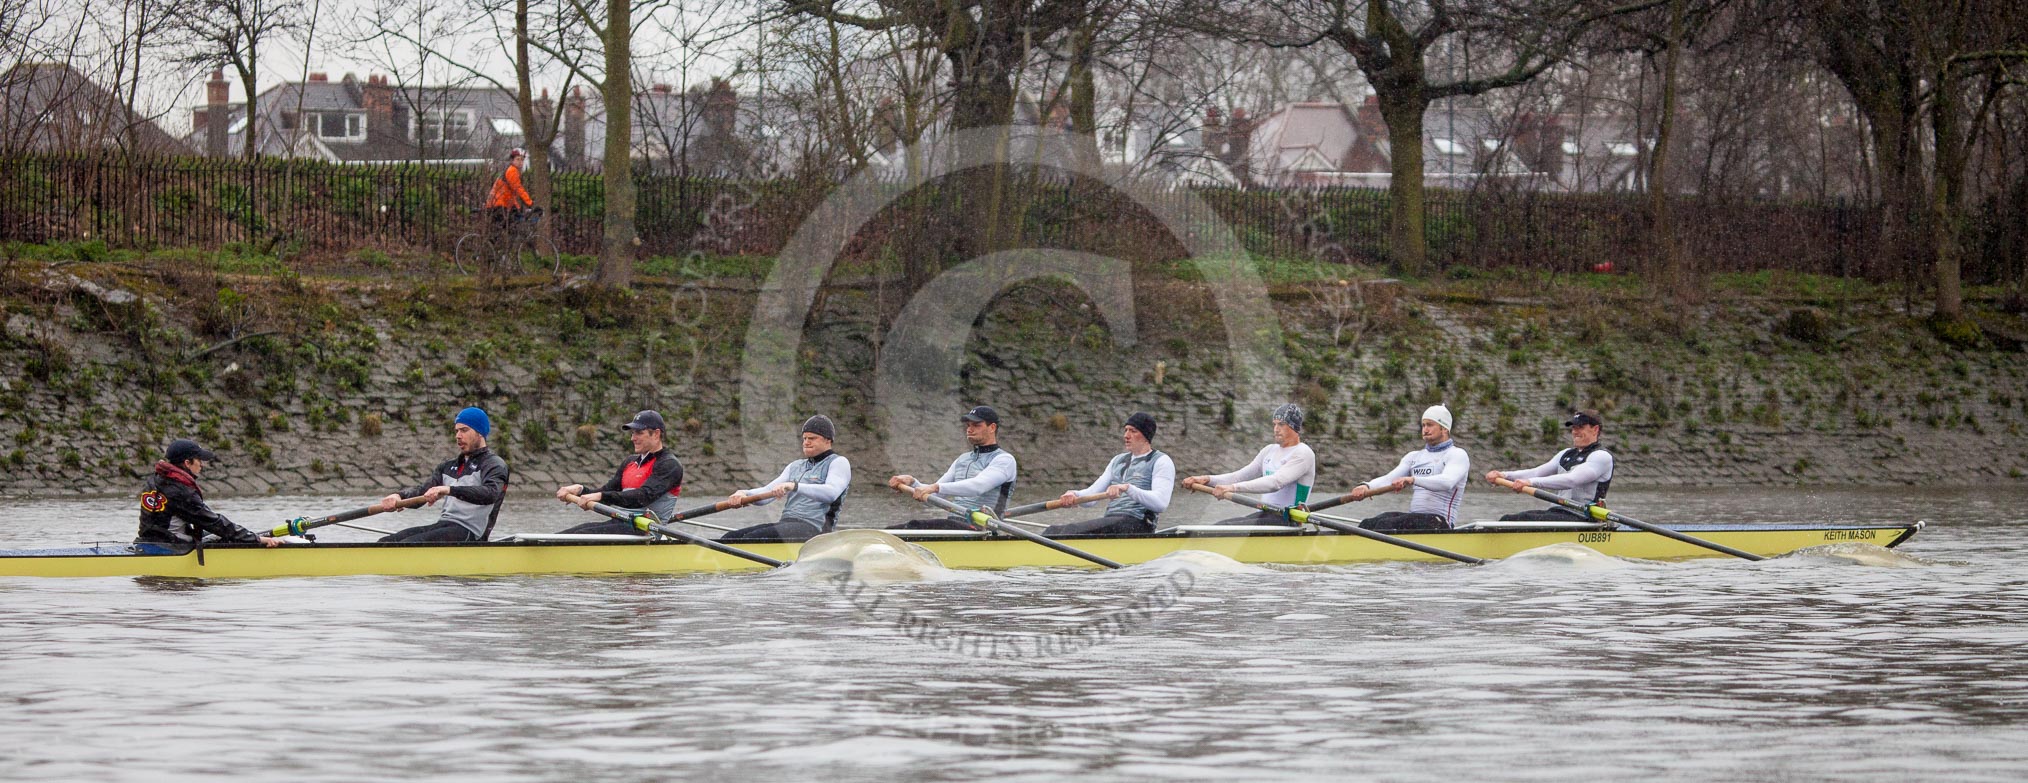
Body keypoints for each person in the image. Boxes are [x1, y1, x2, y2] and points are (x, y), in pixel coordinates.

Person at [375, 407, 510, 543]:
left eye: (464, 430)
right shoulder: (447, 467)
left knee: (408, 544)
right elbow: (422, 491)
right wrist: (398, 496)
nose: (458, 436)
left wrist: (449, 490)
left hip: (472, 534)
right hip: (446, 526)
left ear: (480, 433)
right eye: (456, 431)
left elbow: (491, 494)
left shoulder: (494, 464)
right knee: (386, 542)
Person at [135, 439, 281, 552]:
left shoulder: (155, 479)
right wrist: (258, 540)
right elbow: (215, 523)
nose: (201, 465)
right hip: (171, 547)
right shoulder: (181, 491)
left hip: (147, 540)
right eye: (199, 460)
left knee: (211, 534)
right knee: (221, 535)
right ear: (187, 462)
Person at [721, 415, 851, 543]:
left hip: (815, 531)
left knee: (750, 539)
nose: (806, 442)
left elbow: (831, 493)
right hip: (788, 524)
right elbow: (767, 493)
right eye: (804, 438)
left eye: (812, 438)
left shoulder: (838, 462)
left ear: (828, 440)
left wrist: (794, 486)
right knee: (730, 537)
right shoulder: (795, 466)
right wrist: (744, 493)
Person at [1042, 412, 1174, 537]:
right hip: (1114, 521)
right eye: (1126, 430)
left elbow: (1160, 503)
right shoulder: (1118, 461)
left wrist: (1128, 488)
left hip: (1139, 523)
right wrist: (1074, 495)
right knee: (1053, 531)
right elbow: (1091, 497)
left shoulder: (1161, 461)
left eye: (1133, 431)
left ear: (1146, 436)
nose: (1126, 436)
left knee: (1068, 531)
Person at [1182, 403, 1316, 526]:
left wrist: (1232, 488)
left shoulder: (1303, 453)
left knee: (1224, 528)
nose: (1276, 429)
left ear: (1294, 427)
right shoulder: (1269, 450)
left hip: (1289, 519)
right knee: (1219, 525)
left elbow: (1275, 483)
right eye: (1274, 424)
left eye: (1281, 424)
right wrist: (1206, 479)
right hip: (1267, 514)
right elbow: (1240, 476)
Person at [1343, 404, 1470, 531]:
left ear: (1444, 429)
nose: (1425, 429)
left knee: (1386, 525)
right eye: (1423, 425)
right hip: (1416, 519)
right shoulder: (1414, 456)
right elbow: (1389, 479)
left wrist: (1413, 480)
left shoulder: (1457, 454)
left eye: (1430, 425)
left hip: (1440, 522)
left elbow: (1447, 482)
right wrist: (1366, 486)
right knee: (1368, 524)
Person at [555, 410, 685, 535]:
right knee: (568, 534)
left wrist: (601, 496)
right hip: (621, 523)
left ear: (656, 434)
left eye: (639, 433)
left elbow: (642, 497)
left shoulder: (669, 465)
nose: (632, 438)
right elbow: (606, 492)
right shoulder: (630, 462)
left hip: (645, 531)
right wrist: (580, 490)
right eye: (632, 433)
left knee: (581, 534)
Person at [888, 406, 1018, 530]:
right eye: (968, 425)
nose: (969, 429)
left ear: (992, 427)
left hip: (984, 529)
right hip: (957, 525)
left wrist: (935, 486)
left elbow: (978, 486)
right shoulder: (962, 459)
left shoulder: (1004, 460)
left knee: (913, 526)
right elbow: (934, 497)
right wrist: (912, 482)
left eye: (976, 425)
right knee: (890, 530)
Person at [1485, 409, 1615, 522]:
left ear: (1595, 429)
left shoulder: (1601, 456)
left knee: (1514, 520)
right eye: (1573, 428)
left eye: (1580, 427)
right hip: (1559, 512)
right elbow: (1536, 472)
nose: (1575, 432)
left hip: (1584, 517)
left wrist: (1530, 483)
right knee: (1508, 519)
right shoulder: (1565, 454)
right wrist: (1504, 475)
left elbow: (1572, 480)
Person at [486, 147, 534, 231]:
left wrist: (518, 207)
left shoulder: (511, 170)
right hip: (500, 205)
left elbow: (510, 194)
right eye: (518, 159)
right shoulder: (512, 171)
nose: (520, 162)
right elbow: (518, 188)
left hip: (499, 204)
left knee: (508, 229)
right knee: (513, 228)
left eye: (522, 160)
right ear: (512, 160)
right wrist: (530, 203)